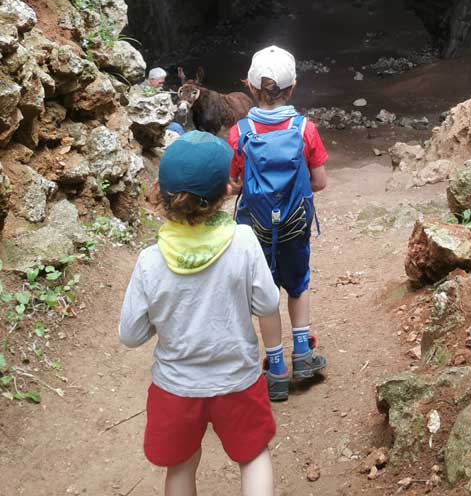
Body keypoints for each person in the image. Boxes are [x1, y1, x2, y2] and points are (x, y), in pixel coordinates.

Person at [119, 131, 279, 496]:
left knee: (181, 465)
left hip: (176, 387)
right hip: (237, 379)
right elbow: (268, 305)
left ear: (162, 192)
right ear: (226, 190)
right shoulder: (242, 242)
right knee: (253, 456)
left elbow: (130, 334)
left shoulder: (150, 261)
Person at [228, 45, 328, 403]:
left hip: (254, 226)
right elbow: (319, 182)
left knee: (264, 295)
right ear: (293, 86)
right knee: (298, 285)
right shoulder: (305, 129)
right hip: (294, 223)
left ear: (251, 87)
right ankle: (302, 353)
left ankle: (275, 370)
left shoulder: (240, 132)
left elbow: (236, 182)